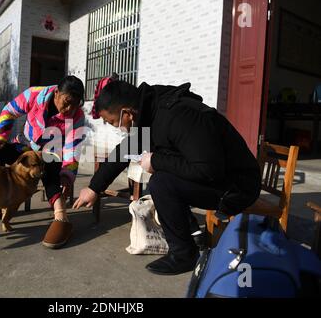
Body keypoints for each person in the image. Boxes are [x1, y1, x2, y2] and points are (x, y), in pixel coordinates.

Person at [73, 79, 261, 275]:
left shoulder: (179, 116)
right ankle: (192, 234)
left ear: (126, 113)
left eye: (113, 122)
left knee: (161, 183)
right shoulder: (149, 114)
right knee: (164, 178)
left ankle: (184, 255)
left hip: (237, 187)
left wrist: (156, 160)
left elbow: (208, 170)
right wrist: (94, 187)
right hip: (218, 179)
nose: (115, 127)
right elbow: (124, 152)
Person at [0, 76, 86, 249]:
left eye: (75, 104)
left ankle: (61, 217)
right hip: (25, 147)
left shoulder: (77, 116)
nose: (69, 109)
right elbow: (9, 111)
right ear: (56, 93)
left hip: (51, 152)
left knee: (54, 171)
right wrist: (0, 137)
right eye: (67, 102)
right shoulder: (34, 95)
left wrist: (68, 175)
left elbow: (72, 147)